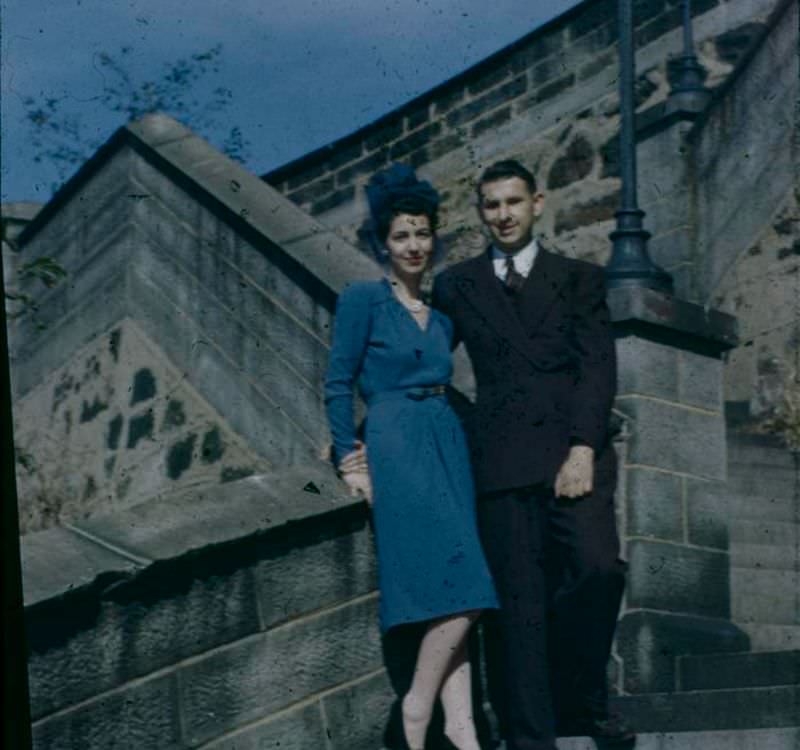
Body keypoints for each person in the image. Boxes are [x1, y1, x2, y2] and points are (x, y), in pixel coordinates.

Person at [431, 160, 634, 750]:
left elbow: (598, 369)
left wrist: (581, 449)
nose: (503, 215)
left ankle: (583, 700)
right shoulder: (458, 285)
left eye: (513, 202)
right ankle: (530, 739)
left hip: (572, 454)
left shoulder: (577, 278)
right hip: (498, 465)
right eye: (491, 205)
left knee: (597, 571)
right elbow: (425, 363)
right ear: (480, 212)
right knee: (517, 608)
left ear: (538, 203)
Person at [325, 164, 499, 750]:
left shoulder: (442, 315)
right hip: (397, 442)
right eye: (401, 235)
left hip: (446, 439)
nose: (414, 245)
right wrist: (350, 458)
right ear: (383, 243)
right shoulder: (364, 300)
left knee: (454, 587)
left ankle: (462, 729)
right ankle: (418, 705)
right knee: (469, 586)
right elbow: (337, 382)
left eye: (422, 233)